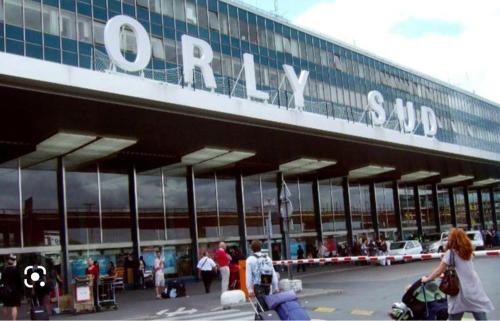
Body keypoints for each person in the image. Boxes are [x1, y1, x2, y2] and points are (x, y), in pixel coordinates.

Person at [421, 228, 494, 320]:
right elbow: (462, 265)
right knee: (480, 315)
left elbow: (439, 271)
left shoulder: (450, 253)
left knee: (454, 317)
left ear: (452, 239)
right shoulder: (468, 252)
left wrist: (427, 279)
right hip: (474, 289)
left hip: (459, 291)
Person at [246, 240, 279, 310]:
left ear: (251, 248)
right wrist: (275, 286)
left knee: (261, 307)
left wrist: (250, 290)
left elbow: (248, 276)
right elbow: (273, 273)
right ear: (261, 248)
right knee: (265, 305)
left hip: (258, 286)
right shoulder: (267, 258)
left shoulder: (250, 260)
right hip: (267, 285)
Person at [0, 254, 23, 321]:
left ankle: (5, 320)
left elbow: (2, 281)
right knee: (14, 306)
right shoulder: (16, 271)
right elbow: (19, 282)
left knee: (5, 306)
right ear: (14, 262)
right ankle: (14, 320)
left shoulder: (4, 271)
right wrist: (20, 291)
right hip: (14, 291)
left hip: (6, 291)